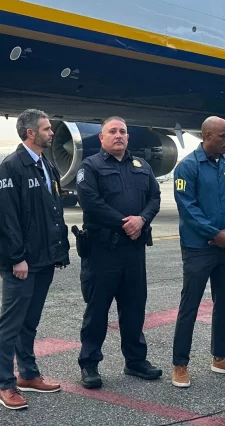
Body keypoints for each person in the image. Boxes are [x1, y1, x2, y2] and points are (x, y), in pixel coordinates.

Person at [75, 116, 162, 389]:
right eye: (112, 131)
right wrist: (126, 223)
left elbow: (155, 198)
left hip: (134, 250)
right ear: (101, 137)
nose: (118, 135)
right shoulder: (90, 166)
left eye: (123, 131)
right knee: (97, 309)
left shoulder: (142, 166)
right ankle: (89, 363)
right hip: (103, 250)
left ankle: (135, 361)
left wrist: (142, 220)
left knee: (134, 307)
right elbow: (90, 202)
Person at [0, 108, 70, 410]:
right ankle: (6, 384)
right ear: (30, 133)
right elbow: (6, 219)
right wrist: (17, 258)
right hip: (22, 263)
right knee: (10, 324)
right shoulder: (12, 167)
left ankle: (28, 374)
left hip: (44, 259)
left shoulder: (45, 165)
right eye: (47, 129)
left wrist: (58, 252)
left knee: (30, 322)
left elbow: (53, 211)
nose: (52, 133)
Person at [170, 116, 225, 388]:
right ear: (207, 136)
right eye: (224, 136)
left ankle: (221, 357)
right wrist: (213, 233)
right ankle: (180, 364)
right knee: (189, 306)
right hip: (198, 248)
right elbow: (188, 208)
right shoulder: (188, 167)